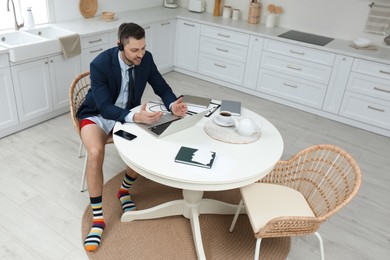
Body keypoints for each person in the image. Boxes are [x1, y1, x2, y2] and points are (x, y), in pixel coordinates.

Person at [77, 22, 188, 252]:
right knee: (96, 152)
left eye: (143, 48)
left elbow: (161, 85)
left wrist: (172, 104)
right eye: (134, 50)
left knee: (146, 144)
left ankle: (123, 190)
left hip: (126, 115)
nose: (141, 54)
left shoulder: (146, 59)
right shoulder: (100, 64)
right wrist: (134, 117)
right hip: (97, 114)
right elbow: (106, 107)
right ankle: (98, 219)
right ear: (120, 46)